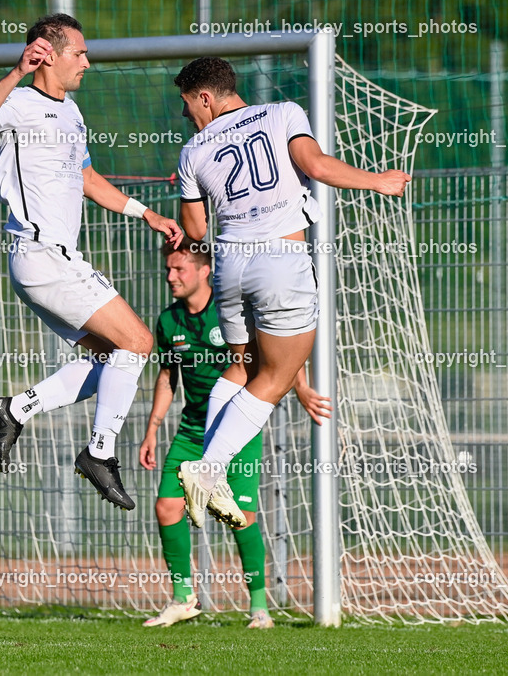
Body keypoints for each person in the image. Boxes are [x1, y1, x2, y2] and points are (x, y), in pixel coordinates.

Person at [170, 57, 410, 527]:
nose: (186, 116)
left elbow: (195, 229)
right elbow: (316, 165)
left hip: (229, 266)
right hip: (280, 262)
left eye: (186, 105)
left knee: (242, 366)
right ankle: (208, 468)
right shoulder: (283, 113)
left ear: (205, 97)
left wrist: (190, 199)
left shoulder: (192, 150)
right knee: (278, 377)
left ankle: (209, 468)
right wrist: (378, 181)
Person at [0, 13, 183, 510]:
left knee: (112, 358)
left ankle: (16, 408)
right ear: (47, 54)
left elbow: (88, 179)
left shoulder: (73, 112)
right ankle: (99, 453)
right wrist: (17, 71)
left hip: (49, 261)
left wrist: (144, 212)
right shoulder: (18, 103)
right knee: (139, 341)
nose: (87, 61)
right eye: (78, 53)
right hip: (42, 255)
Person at [138, 240, 330, 630]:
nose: (171, 277)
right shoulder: (168, 321)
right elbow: (166, 378)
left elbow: (276, 355)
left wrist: (302, 387)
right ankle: (183, 599)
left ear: (205, 269)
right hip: (192, 429)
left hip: (236, 426)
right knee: (166, 507)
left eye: (180, 270)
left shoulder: (231, 314)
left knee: (241, 516)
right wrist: (152, 430)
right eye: (169, 270)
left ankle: (259, 608)